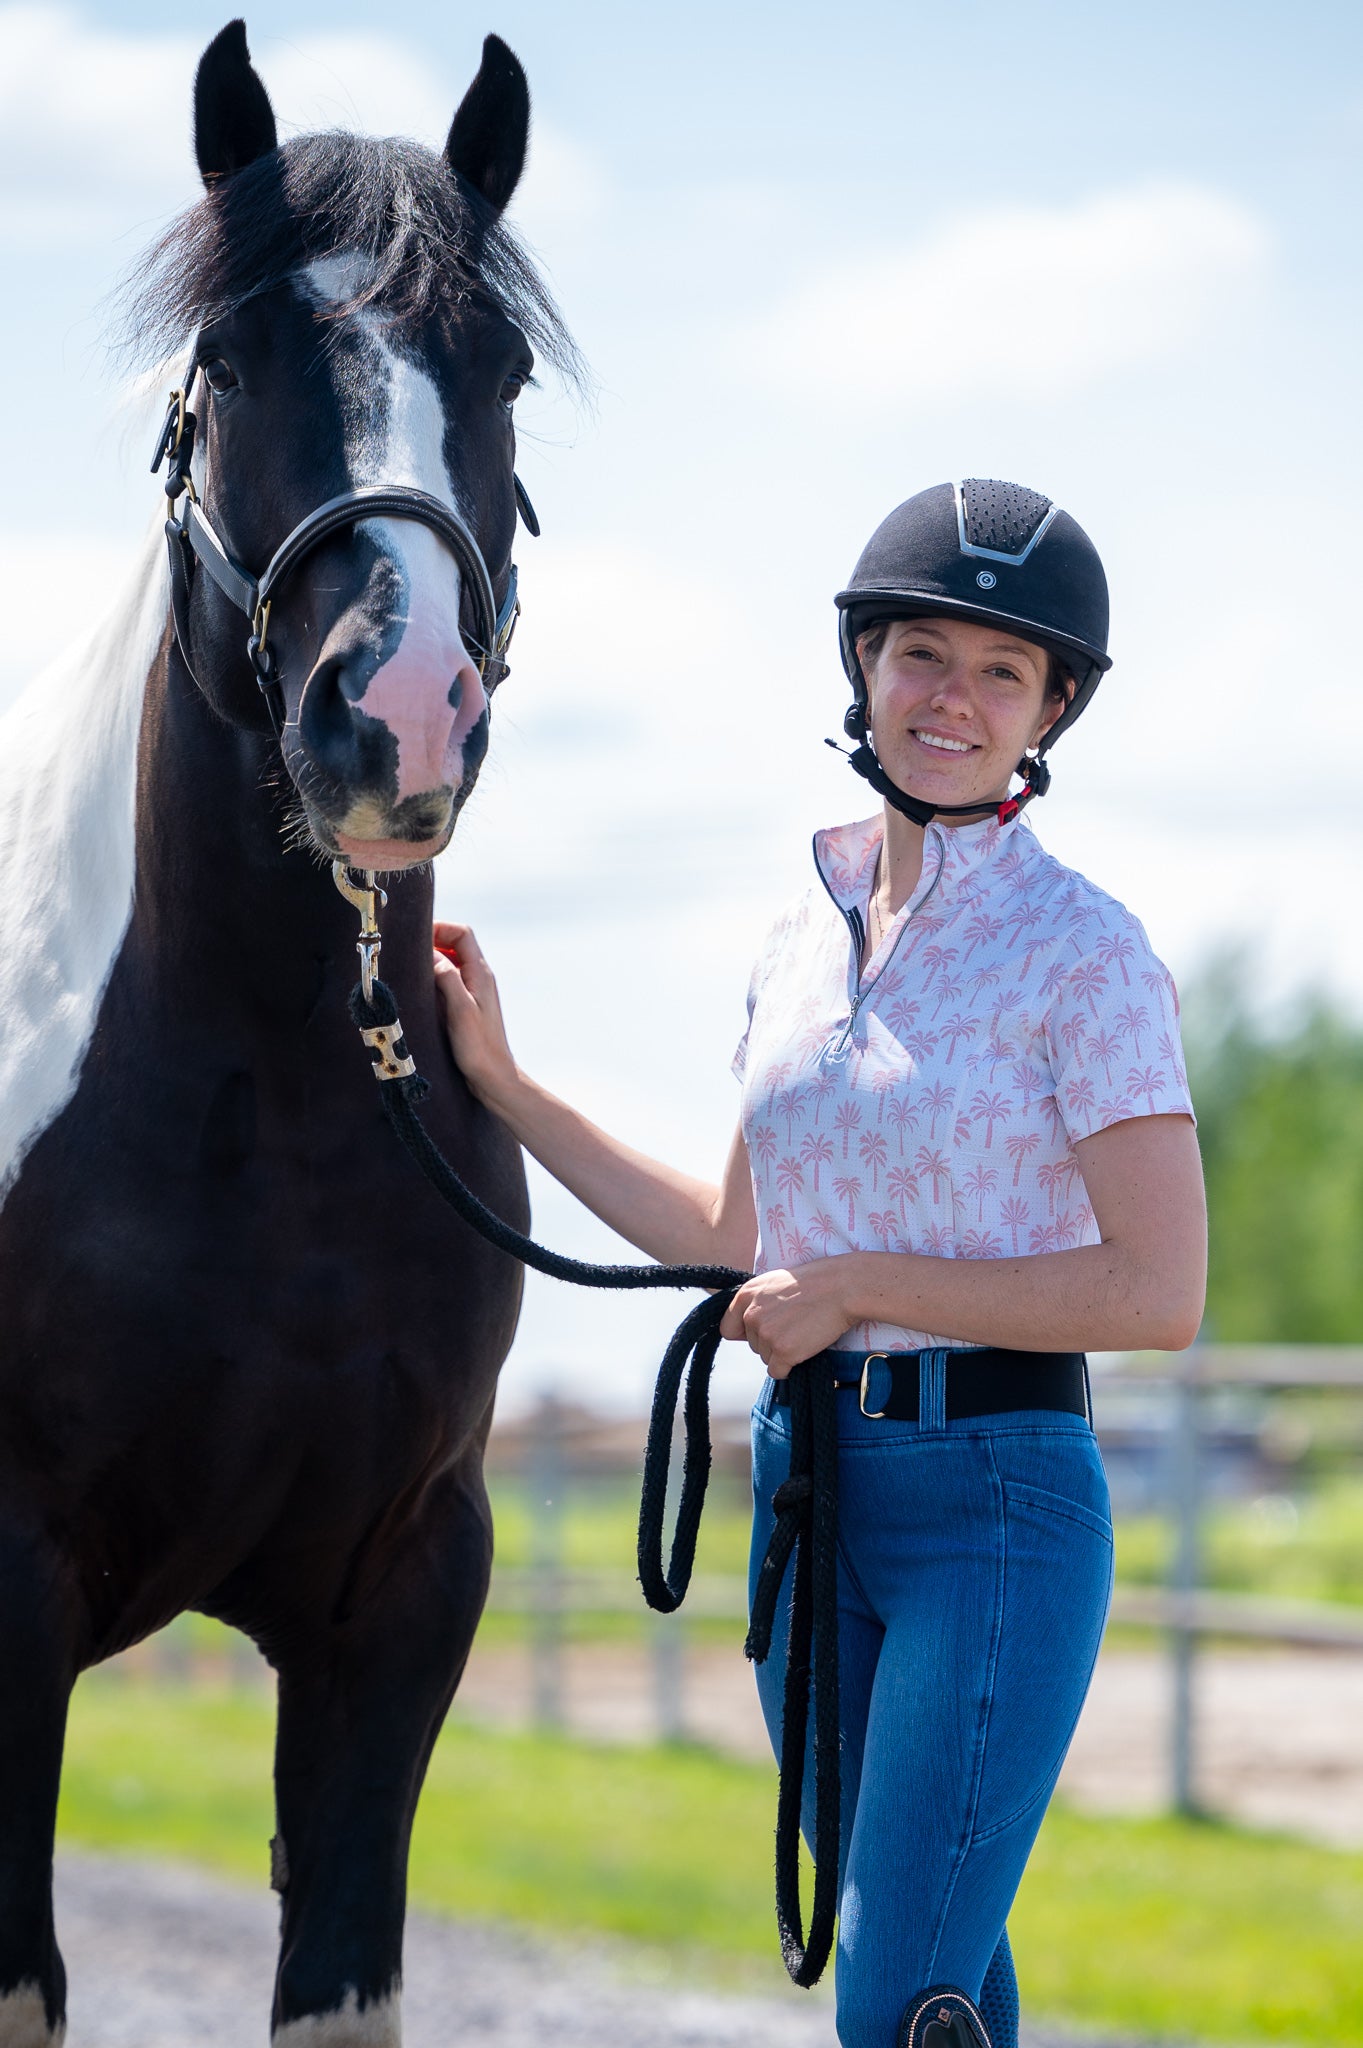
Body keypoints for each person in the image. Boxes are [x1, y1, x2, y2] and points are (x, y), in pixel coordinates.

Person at [432, 478, 1207, 2048]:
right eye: (925, 652)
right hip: (813, 1487)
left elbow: (1155, 1292)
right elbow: (735, 1235)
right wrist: (508, 1087)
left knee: (893, 1993)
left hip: (993, 1502)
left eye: (1005, 672)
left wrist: (861, 1288)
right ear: (865, 666)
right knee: (936, 1977)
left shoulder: (1089, 954)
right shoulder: (804, 928)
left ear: (1053, 708)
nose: (954, 700)